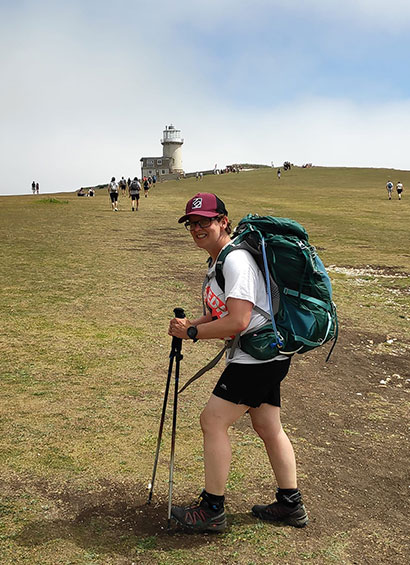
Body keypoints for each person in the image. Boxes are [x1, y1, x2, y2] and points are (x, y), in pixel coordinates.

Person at [168, 192, 308, 533]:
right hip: (264, 355)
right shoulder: (220, 261)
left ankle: (212, 509)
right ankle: (291, 505)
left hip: (257, 358)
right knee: (267, 426)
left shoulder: (235, 261)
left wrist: (193, 336)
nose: (198, 229)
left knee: (212, 420)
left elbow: (238, 322)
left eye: (205, 222)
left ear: (223, 222)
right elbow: (223, 314)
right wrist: (192, 326)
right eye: (192, 224)